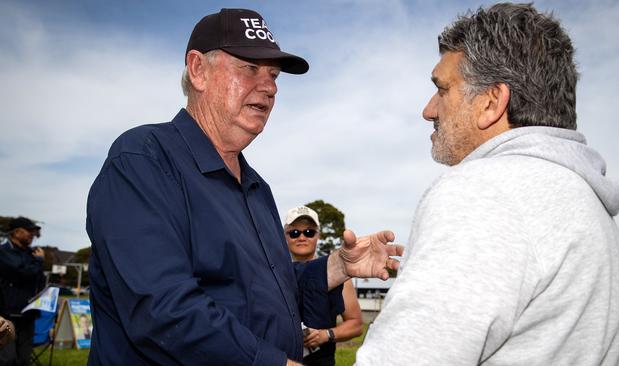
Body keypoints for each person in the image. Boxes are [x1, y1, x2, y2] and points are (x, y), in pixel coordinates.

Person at [86, 8, 402, 366]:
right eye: (250, 69)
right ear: (198, 70)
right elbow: (160, 307)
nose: (269, 87)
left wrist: (337, 266)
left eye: (273, 75)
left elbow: (265, 288)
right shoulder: (143, 159)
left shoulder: (256, 188)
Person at [356, 3, 619, 365]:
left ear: (492, 102)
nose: (428, 110)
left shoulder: (486, 193)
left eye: (442, 89)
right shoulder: (585, 201)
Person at [283, 206, 363, 366]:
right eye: (294, 233)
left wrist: (326, 335)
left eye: (309, 232)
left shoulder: (337, 276)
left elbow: (356, 324)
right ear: (285, 237)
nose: (302, 237)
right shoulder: (276, 276)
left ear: (318, 235)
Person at [0, 217, 45, 366]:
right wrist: (38, 262)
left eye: (34, 232)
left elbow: (39, 279)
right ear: (17, 232)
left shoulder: (32, 254)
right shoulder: (4, 251)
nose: (32, 235)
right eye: (29, 231)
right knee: (7, 358)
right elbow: (21, 272)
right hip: (6, 314)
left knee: (24, 358)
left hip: (27, 313)